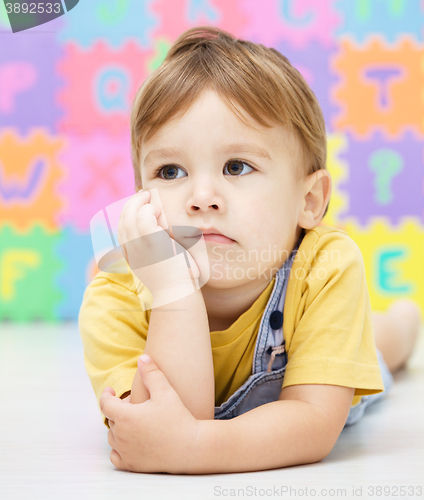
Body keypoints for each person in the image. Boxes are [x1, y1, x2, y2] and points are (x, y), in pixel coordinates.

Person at [79, 26, 421, 475]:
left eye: (236, 166)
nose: (201, 196)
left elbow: (315, 421)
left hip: (311, 356)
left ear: (309, 201)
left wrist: (196, 446)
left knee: (379, 348)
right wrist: (172, 289)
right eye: (170, 170)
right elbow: (155, 426)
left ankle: (403, 321)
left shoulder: (327, 267)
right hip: (154, 292)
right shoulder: (114, 300)